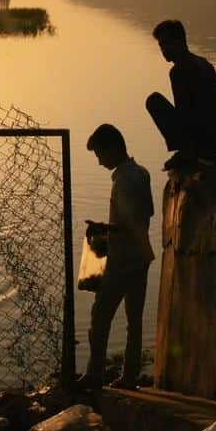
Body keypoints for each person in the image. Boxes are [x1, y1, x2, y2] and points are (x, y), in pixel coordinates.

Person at [78, 123, 154, 390]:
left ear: (113, 149)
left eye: (100, 155)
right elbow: (145, 217)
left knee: (100, 317)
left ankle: (94, 374)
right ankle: (129, 377)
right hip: (142, 256)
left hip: (122, 259)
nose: (99, 162)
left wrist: (103, 229)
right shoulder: (142, 174)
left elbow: (128, 223)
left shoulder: (123, 180)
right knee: (135, 321)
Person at [146, 19, 216, 170]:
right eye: (161, 46)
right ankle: (191, 149)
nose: (164, 50)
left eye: (167, 44)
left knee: (154, 101)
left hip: (207, 137)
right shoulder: (201, 62)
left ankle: (188, 151)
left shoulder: (182, 70)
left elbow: (185, 112)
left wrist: (188, 146)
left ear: (180, 41)